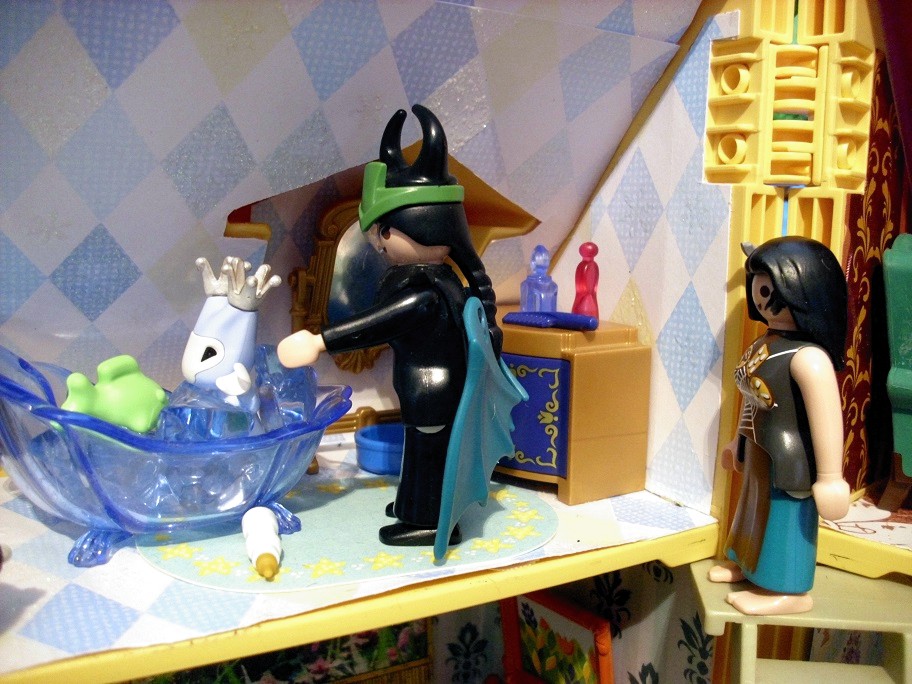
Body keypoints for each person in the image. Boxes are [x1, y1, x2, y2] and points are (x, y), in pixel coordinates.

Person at [278, 105, 521, 551]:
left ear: (424, 228)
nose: (378, 243)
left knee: (428, 457)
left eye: (385, 232)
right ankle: (412, 505)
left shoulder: (425, 294)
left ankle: (429, 521)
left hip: (432, 392)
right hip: (425, 390)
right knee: (419, 452)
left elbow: (378, 324)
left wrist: (319, 340)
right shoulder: (434, 281)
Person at [708, 236, 851, 615]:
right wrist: (736, 441)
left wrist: (831, 478)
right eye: (759, 288)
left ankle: (790, 590)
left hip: (789, 459)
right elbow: (750, 398)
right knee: (752, 509)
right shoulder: (766, 343)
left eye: (770, 290)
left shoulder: (809, 358)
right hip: (759, 447)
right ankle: (747, 564)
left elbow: (827, 418)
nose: (762, 300)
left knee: (784, 518)